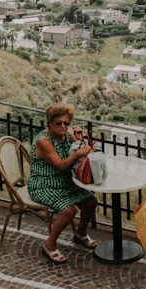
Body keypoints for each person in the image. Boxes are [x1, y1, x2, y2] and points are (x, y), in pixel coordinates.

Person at [28, 103, 98, 264]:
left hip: (65, 183)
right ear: (49, 123)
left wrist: (82, 140)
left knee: (91, 202)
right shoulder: (43, 141)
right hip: (44, 185)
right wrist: (78, 153)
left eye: (66, 123)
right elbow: (61, 165)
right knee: (69, 210)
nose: (62, 126)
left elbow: (89, 155)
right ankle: (49, 244)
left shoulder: (67, 135)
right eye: (58, 123)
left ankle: (80, 234)